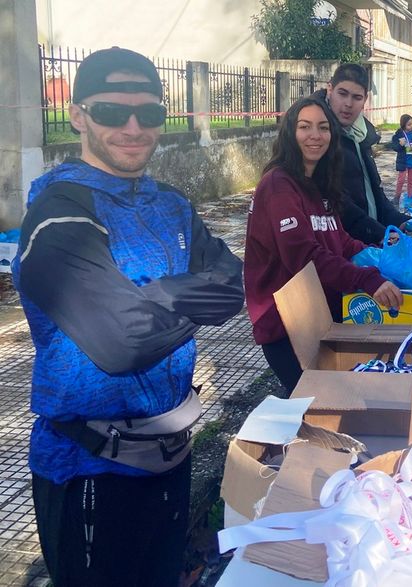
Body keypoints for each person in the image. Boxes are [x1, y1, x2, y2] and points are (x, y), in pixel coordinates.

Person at [12, 47, 245, 587]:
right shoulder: (59, 215)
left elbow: (233, 289)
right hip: (91, 470)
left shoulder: (171, 204)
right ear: (78, 116)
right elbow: (123, 343)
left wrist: (155, 294)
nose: (134, 128)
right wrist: (191, 293)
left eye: (150, 112)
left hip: (172, 452)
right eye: (113, 112)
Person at [244, 96, 403, 392]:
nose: (315, 135)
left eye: (323, 127)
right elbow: (303, 257)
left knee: (336, 400)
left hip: (320, 317)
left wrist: (388, 258)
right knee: (317, 404)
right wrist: (365, 279)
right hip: (286, 325)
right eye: (305, 127)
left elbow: (340, 240)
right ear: (290, 133)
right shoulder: (278, 185)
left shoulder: (319, 184)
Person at [313, 64, 410, 245]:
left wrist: (403, 222)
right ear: (330, 89)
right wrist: (380, 234)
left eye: (356, 97)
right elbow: (337, 202)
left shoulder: (359, 133)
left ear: (365, 99)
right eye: (342, 94)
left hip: (369, 244)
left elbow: (375, 191)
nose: (348, 104)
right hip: (342, 247)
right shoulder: (319, 137)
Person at [390, 113, 412, 201]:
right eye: (409, 125)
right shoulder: (398, 134)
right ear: (403, 125)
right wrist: (400, 144)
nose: (411, 126)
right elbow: (394, 147)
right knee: (401, 180)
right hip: (403, 161)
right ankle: (396, 197)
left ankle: (410, 197)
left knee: (411, 180)